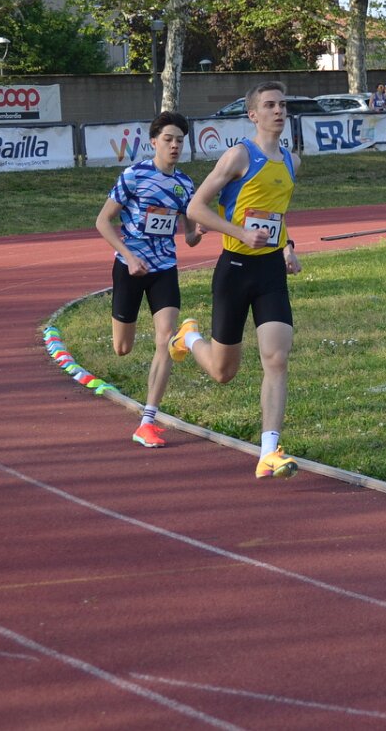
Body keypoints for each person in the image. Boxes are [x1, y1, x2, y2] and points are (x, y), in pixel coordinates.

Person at [171, 81, 303, 479]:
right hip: (235, 270)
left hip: (270, 271)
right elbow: (196, 208)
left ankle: (269, 451)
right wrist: (240, 233)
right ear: (253, 114)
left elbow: (276, 213)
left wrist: (287, 246)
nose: (279, 111)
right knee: (222, 372)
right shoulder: (239, 156)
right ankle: (189, 337)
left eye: (283, 105)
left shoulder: (293, 161)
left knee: (276, 359)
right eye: (270, 105)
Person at [94, 111, 203, 448]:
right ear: (154, 142)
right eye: (168, 139)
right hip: (129, 269)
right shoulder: (134, 176)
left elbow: (189, 238)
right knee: (122, 348)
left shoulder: (185, 185)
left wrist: (198, 231)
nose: (174, 146)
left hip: (164, 269)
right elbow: (102, 221)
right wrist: (129, 257)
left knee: (165, 340)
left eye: (179, 141)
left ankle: (147, 421)